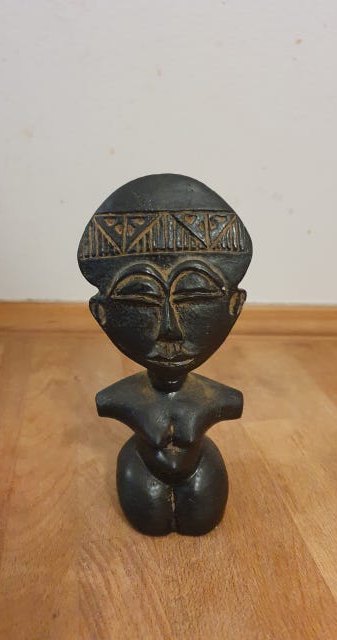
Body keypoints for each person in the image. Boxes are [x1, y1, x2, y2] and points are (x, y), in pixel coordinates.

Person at [78, 174, 252, 535]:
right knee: (149, 521)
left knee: (203, 519)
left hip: (202, 470)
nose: (169, 329)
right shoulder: (119, 397)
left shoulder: (218, 397)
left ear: (234, 306)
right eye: (141, 299)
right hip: (140, 469)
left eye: (194, 296)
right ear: (101, 314)